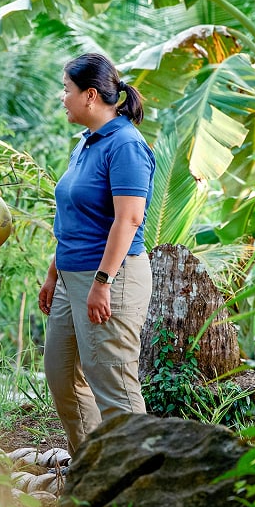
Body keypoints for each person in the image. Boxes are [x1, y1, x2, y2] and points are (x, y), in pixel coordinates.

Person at [39, 53, 156, 455]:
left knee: (115, 386)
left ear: (90, 96)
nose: (62, 97)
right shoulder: (86, 143)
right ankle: (94, 471)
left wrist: (102, 282)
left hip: (111, 278)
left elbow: (128, 219)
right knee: (62, 377)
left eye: (67, 90)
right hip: (72, 278)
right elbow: (74, 216)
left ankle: (138, 487)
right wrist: (54, 274)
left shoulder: (125, 145)